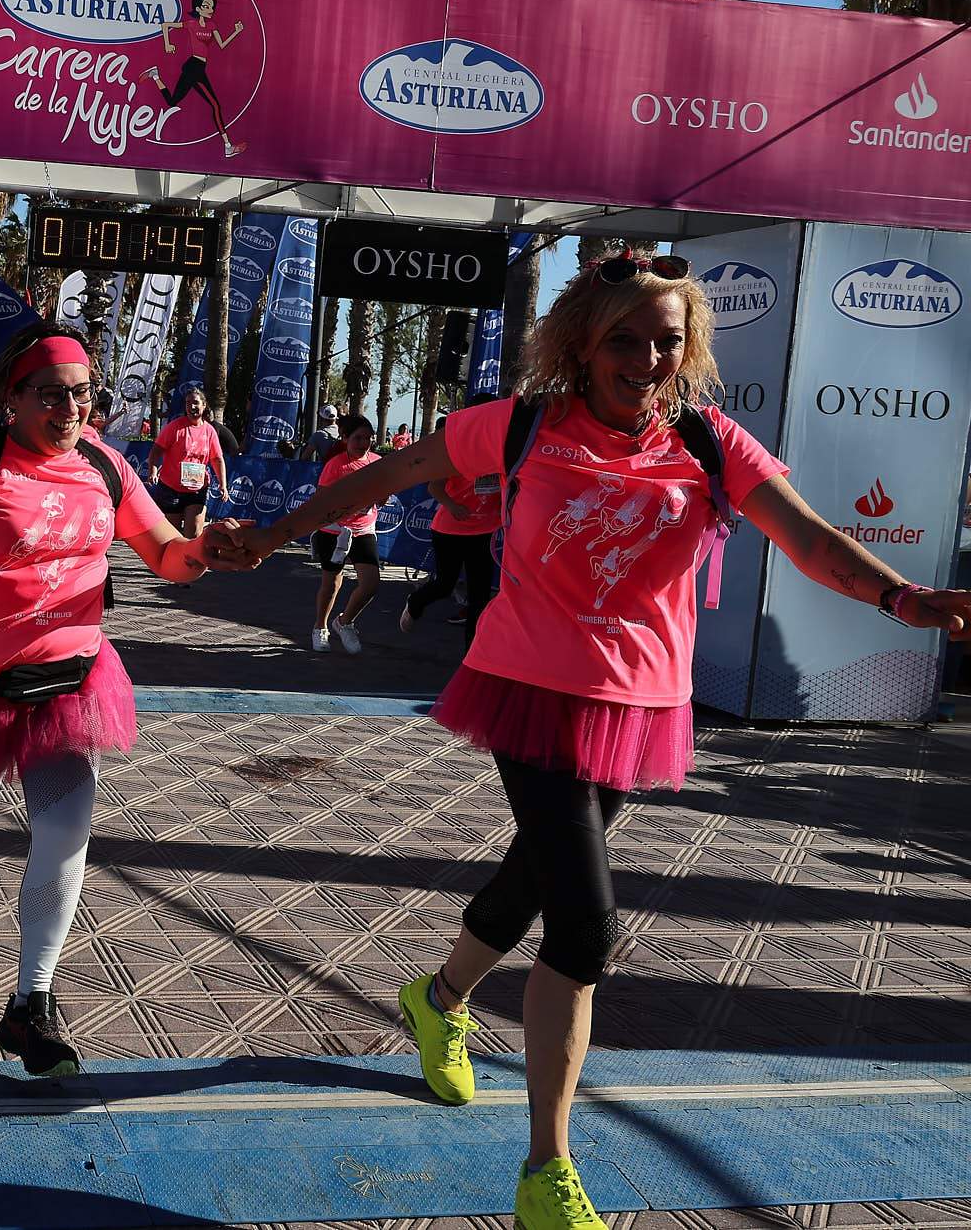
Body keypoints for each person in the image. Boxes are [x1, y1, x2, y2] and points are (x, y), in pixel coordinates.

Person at [233, 252, 971, 1230]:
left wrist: (899, 595)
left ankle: (436, 998)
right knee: (583, 928)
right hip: (528, 689)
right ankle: (545, 1169)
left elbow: (805, 537)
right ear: (579, 344)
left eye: (665, 338)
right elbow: (391, 472)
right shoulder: (525, 423)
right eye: (623, 338)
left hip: (639, 704)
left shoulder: (707, 440)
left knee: (527, 884)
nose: (646, 356)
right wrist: (273, 532)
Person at [0, 321, 250, 1078]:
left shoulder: (108, 468)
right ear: (11, 398)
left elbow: (167, 558)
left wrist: (206, 549)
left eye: (83, 394)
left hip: (67, 686)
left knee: (66, 832)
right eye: (52, 395)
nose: (71, 409)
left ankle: (31, 1002)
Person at [401, 393, 502, 641]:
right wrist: (453, 506)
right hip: (450, 531)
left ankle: (471, 655)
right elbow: (434, 487)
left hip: (484, 530)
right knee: (445, 585)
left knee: (479, 595)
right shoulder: (458, 447)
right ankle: (416, 601)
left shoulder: (500, 447)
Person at [305, 414, 382, 655]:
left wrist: (382, 497)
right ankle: (320, 627)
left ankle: (344, 622)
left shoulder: (378, 462)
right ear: (345, 438)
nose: (363, 443)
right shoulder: (336, 465)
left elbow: (384, 492)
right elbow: (321, 499)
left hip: (363, 530)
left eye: (368, 438)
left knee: (370, 584)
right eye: (358, 438)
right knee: (331, 584)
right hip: (335, 532)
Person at [143, 0, 247, 159]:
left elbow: (222, 45)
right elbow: (165, 25)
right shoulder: (191, 24)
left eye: (212, 7)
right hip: (194, 67)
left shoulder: (212, 26)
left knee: (172, 102)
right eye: (206, 6)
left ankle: (155, 75)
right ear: (198, 9)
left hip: (198, 68)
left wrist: (236, 32)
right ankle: (228, 146)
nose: (210, 9)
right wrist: (167, 44)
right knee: (215, 105)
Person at [146, 387, 228, 539]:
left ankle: (192, 562)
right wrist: (153, 470)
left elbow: (217, 459)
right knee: (173, 536)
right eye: (188, 403)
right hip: (171, 489)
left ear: (204, 406)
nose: (192, 407)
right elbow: (156, 450)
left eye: (196, 403)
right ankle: (174, 562)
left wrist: (223, 484)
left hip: (197, 489)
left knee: (195, 534)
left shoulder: (209, 431)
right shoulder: (175, 427)